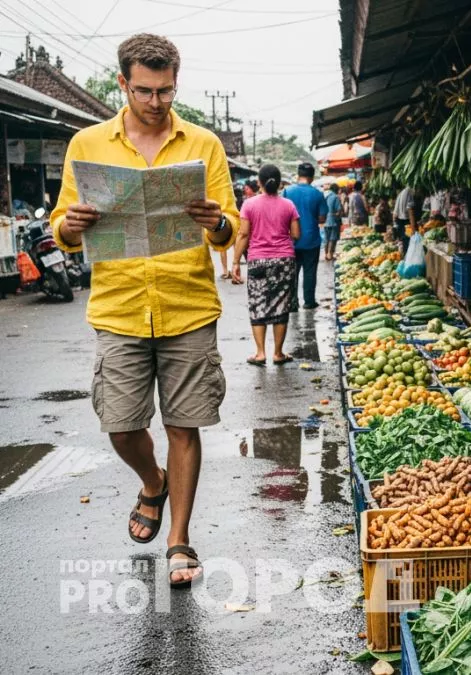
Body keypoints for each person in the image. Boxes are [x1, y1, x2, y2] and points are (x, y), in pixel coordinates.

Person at [50, 33, 238, 589]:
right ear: (123, 84)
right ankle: (151, 481)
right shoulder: (87, 143)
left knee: (185, 424)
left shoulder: (203, 144)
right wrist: (71, 226)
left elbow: (230, 228)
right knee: (121, 424)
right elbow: (61, 225)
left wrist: (216, 224)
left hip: (189, 306)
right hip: (119, 307)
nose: (156, 102)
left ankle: (180, 538)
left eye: (166, 90)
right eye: (145, 91)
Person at [231, 164, 299, 365]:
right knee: (281, 304)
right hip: (284, 260)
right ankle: (278, 353)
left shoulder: (249, 205)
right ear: (279, 183)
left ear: (259, 182)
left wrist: (235, 262)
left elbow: (243, 234)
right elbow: (296, 234)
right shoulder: (288, 205)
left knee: (258, 303)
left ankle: (260, 353)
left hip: (257, 259)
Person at [282, 162, 327, 309]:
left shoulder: (287, 191)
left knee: (292, 272)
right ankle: (309, 301)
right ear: (312, 177)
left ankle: (292, 303)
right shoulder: (318, 194)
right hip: (311, 240)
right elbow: (322, 218)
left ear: (298, 175)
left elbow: (282, 215)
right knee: (310, 272)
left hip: (291, 241)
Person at [323, 183, 342, 261]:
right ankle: (330, 255)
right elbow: (339, 210)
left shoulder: (325, 196)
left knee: (326, 238)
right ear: (336, 190)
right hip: (333, 221)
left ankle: (326, 254)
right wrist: (337, 214)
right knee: (332, 238)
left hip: (325, 220)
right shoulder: (335, 197)